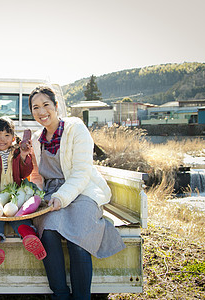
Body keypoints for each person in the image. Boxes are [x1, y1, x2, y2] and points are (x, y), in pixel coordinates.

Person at [28, 86, 126, 300]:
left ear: (56, 106)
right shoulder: (37, 139)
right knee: (49, 231)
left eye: (46, 105)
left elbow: (82, 172)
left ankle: (82, 297)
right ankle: (60, 294)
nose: (41, 111)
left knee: (78, 237)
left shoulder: (75, 128)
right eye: (35, 107)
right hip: (51, 194)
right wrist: (36, 196)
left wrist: (61, 198)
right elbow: (38, 176)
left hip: (81, 189)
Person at [0, 117, 46, 275]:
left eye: (6, 135)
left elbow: (25, 173)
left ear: (13, 136)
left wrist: (25, 156)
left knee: (19, 215)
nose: (2, 139)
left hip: (13, 193)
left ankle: (29, 236)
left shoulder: (17, 151)